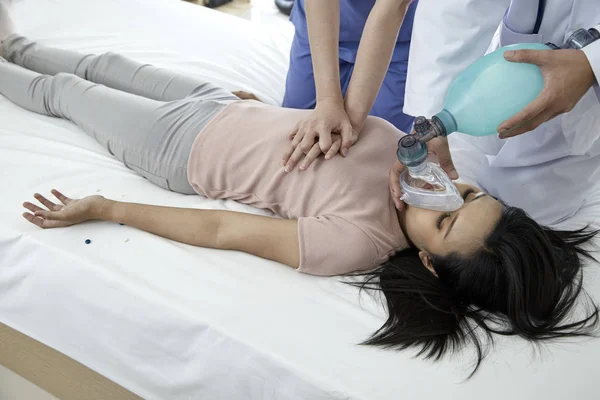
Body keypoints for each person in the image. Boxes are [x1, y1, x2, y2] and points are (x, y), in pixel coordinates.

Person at [2, 32, 598, 372]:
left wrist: (109, 208)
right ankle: (12, 44)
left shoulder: (359, 239)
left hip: (179, 148)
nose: (443, 190)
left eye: (443, 219)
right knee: (101, 65)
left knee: (64, 92)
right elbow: (324, 130)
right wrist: (266, 110)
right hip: (224, 104)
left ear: (426, 261)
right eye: (466, 192)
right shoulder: (414, 153)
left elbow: (221, 233)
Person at [390, 0, 600, 230]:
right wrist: (431, 111)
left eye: (445, 221)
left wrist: (592, 63)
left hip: (573, 134)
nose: (445, 198)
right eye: (469, 196)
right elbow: (458, 9)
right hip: (509, 77)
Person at [281, 0, 418, 172]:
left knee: (375, 149)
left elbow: (392, 8)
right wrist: (327, 101)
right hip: (324, 19)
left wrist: (351, 125)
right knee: (294, 131)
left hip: (399, 38)